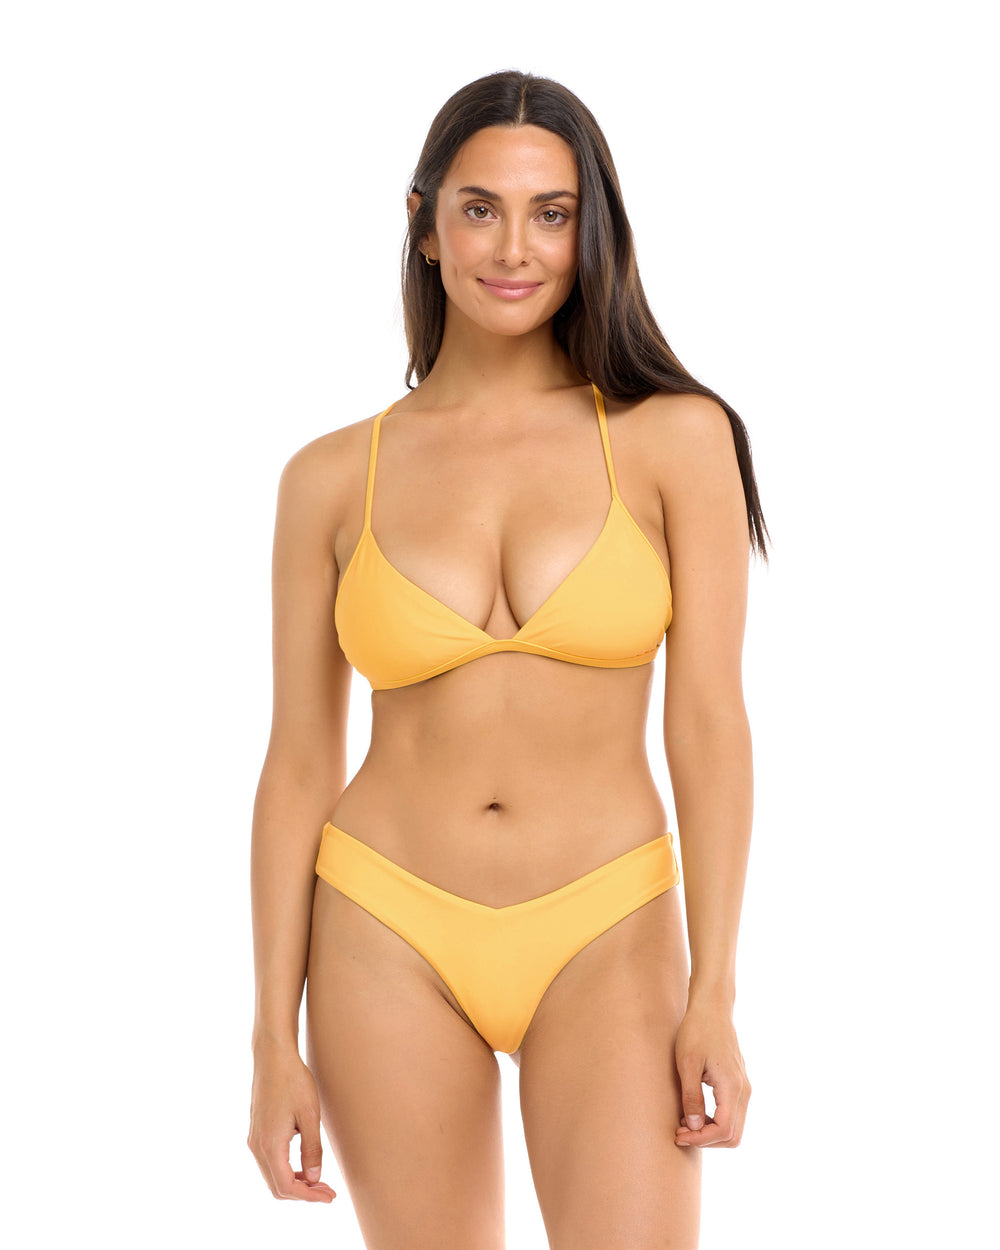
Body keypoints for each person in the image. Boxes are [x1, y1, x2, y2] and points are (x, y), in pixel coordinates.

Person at [247, 69, 765, 1249]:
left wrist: (715, 989)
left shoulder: (677, 439)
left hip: (607, 920)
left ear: (592, 231)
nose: (515, 247)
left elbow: (709, 724)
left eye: (551, 212)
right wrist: (272, 1035)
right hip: (382, 921)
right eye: (479, 209)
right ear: (425, 226)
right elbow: (296, 763)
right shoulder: (327, 476)